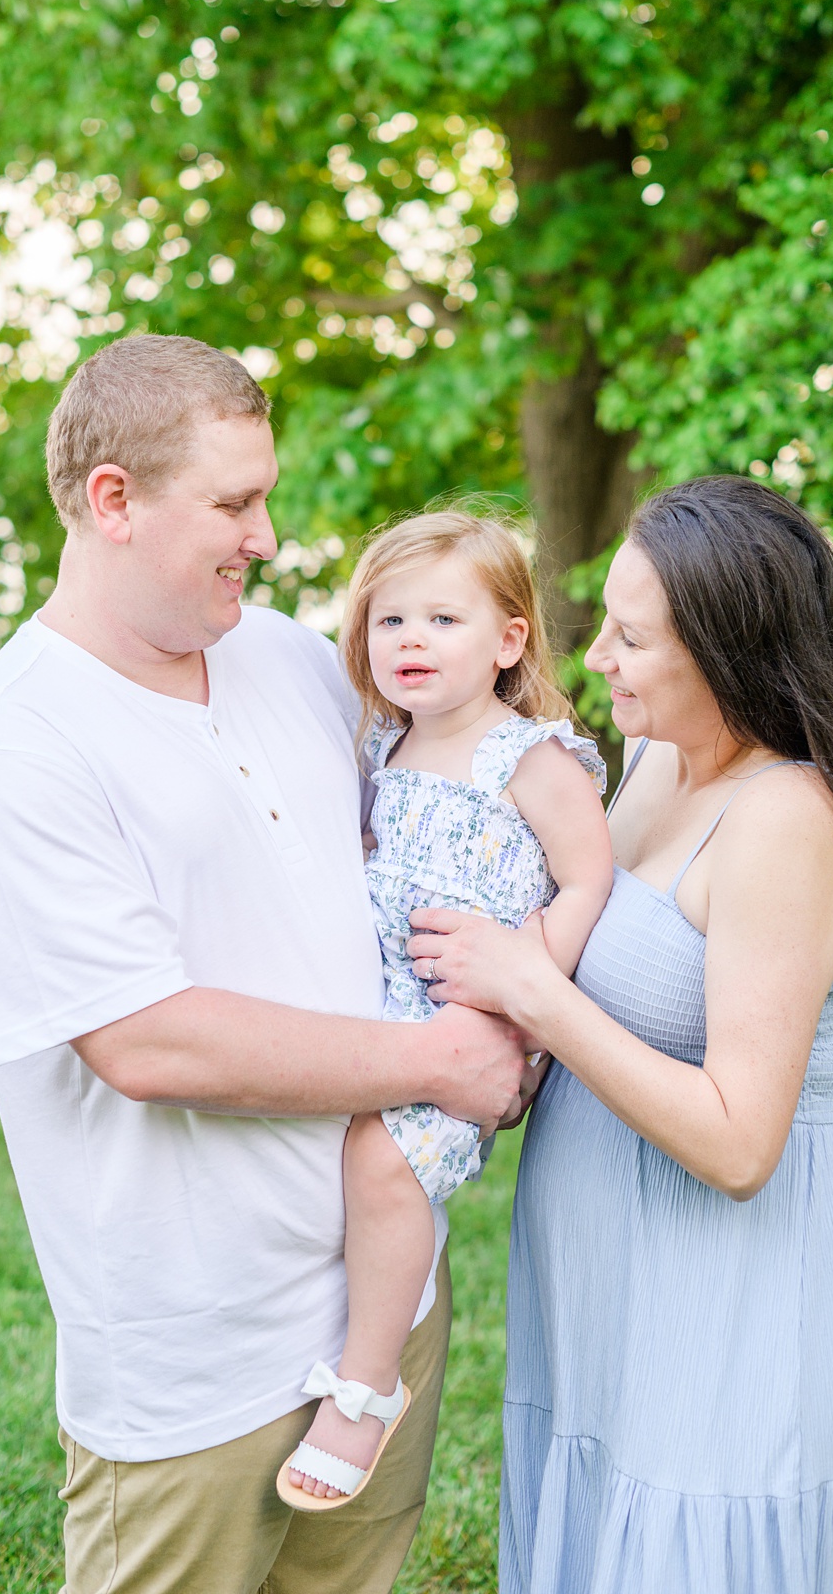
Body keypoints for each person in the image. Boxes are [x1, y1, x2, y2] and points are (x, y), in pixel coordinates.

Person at [0, 334, 534, 1594]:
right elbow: (147, 1040)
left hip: (382, 1305)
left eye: (266, 495)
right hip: (193, 1360)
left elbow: (461, 807)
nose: (266, 533)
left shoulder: (295, 656)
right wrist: (443, 1059)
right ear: (114, 501)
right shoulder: (8, 747)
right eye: (235, 502)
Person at [410, 476, 833, 1592]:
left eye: (633, 636)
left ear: (730, 654)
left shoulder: (786, 820)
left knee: (709, 1538)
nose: (595, 654)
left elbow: (743, 1143)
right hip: (613, 1257)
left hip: (745, 1262)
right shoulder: (654, 758)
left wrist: (536, 996)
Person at [280, 510, 612, 1509]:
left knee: (384, 1162)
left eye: (442, 619)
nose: (410, 641)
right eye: (389, 622)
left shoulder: (530, 760)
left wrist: (525, 985)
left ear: (510, 640)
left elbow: (589, 882)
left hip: (480, 1019)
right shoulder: (384, 746)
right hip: (386, 1001)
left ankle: (364, 1388)